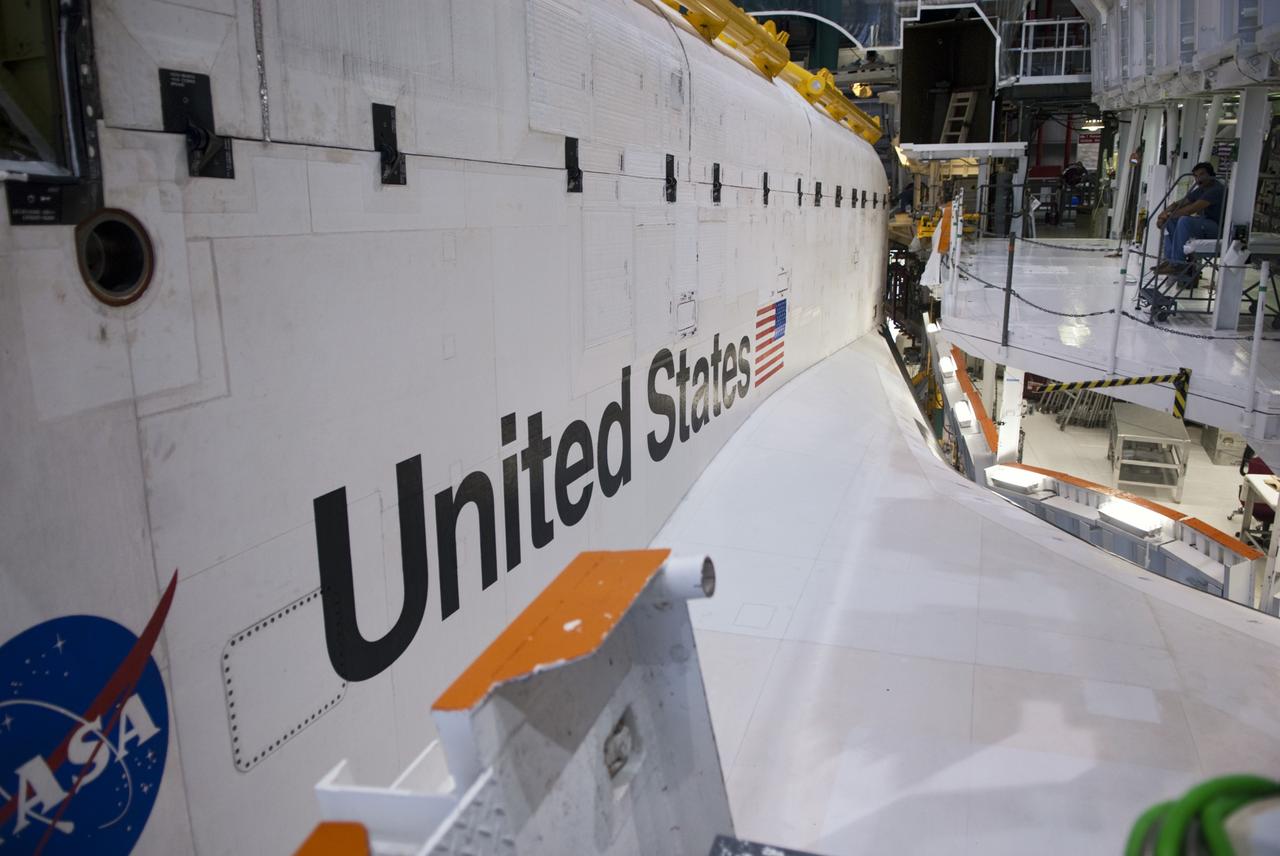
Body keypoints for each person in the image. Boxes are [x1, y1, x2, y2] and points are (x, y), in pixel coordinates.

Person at [1155, 162, 1225, 274]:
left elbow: (1190, 209)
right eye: (1196, 176)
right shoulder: (1202, 188)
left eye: (1202, 175)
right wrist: (1164, 213)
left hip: (1217, 228)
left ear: (1211, 175)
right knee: (1171, 221)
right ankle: (1170, 260)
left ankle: (1177, 263)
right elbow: (1181, 202)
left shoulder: (1216, 190)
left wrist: (1166, 216)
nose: (1198, 179)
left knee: (1184, 220)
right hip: (1205, 223)